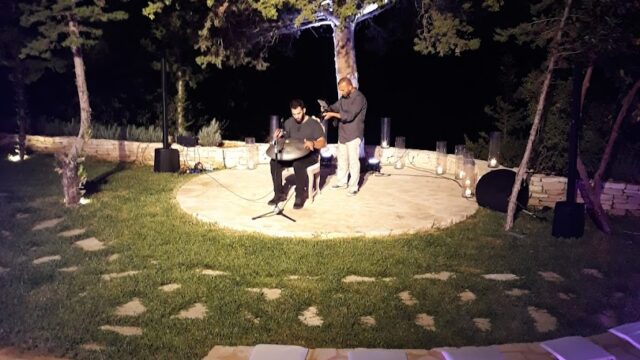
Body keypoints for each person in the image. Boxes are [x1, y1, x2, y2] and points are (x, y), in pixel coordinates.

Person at [269, 99, 327, 209]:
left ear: (304, 110)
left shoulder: (313, 124)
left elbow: (323, 142)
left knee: (298, 164)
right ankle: (278, 194)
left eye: (299, 113)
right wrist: (277, 137)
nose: (297, 116)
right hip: (292, 154)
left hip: (310, 155)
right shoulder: (289, 122)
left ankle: (300, 196)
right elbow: (284, 140)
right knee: (274, 162)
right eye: (294, 114)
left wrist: (313, 143)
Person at [322, 77, 367, 195]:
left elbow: (349, 116)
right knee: (342, 160)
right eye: (340, 90)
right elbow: (336, 106)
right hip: (343, 134)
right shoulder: (344, 97)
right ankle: (342, 182)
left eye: (342, 90)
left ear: (349, 86)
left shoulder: (359, 98)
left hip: (354, 134)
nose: (341, 92)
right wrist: (328, 109)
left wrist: (332, 114)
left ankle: (353, 187)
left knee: (353, 161)